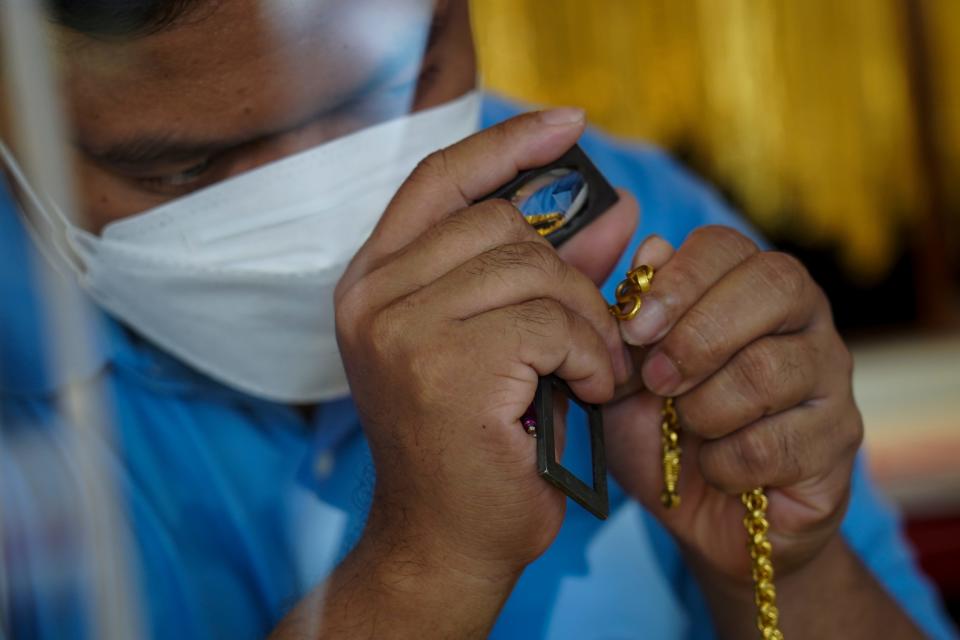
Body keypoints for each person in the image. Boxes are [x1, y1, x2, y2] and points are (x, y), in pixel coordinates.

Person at [0, 1, 955, 638]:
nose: (324, 212)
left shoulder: (643, 225)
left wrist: (781, 570)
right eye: (181, 171)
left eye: (388, 95)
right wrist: (421, 574)